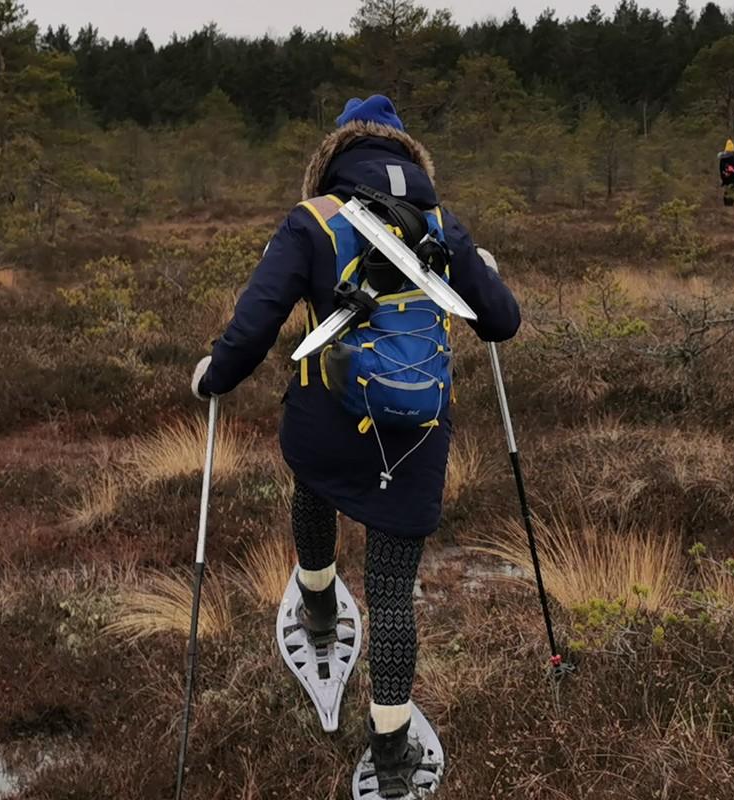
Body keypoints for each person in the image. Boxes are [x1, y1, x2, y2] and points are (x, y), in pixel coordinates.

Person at [189, 94, 521, 798]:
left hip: (326, 426)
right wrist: (480, 269)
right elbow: (502, 323)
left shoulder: (312, 222)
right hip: (418, 437)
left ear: (336, 156)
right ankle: (392, 755)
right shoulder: (442, 225)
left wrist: (211, 378)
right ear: (409, 160)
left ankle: (315, 607)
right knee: (393, 594)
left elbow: (253, 326)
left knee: (312, 486)